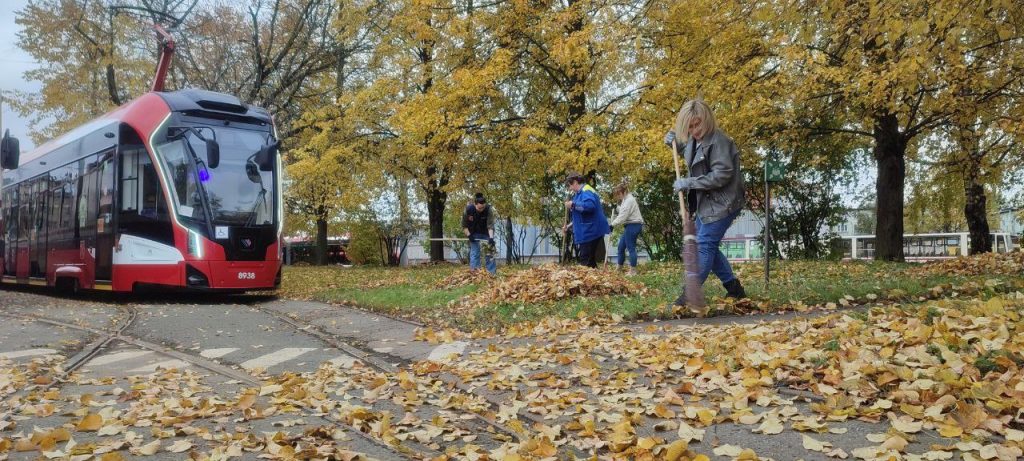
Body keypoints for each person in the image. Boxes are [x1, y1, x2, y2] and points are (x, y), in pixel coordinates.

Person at [664, 99, 747, 302]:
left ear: (707, 119)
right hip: (706, 204)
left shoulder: (720, 141)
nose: (694, 130)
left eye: (697, 124)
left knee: (704, 245)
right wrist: (674, 143)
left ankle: (687, 297)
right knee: (708, 244)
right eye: (689, 127)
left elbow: (722, 174)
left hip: (723, 203)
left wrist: (689, 183)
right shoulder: (694, 140)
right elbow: (693, 154)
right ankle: (734, 289)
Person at [562, 172, 610, 268]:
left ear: (575, 182)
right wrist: (569, 226)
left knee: (585, 261)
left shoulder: (586, 191)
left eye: (570, 185)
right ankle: (596, 281)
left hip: (591, 230)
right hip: (588, 229)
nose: (570, 188)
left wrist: (573, 205)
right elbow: (580, 215)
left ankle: (588, 282)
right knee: (590, 261)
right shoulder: (579, 194)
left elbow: (590, 207)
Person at [610, 183, 644, 276]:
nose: (618, 196)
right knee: (621, 247)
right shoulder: (626, 199)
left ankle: (633, 271)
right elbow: (623, 211)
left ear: (624, 192)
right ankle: (619, 268)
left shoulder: (629, 200)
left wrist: (612, 225)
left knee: (630, 248)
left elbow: (623, 216)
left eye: (619, 194)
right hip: (629, 225)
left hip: (634, 225)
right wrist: (616, 207)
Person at [462, 193, 497, 274]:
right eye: (479, 208)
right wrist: (469, 235)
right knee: (475, 252)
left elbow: (490, 225)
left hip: (486, 232)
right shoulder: (468, 210)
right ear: (475, 204)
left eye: (483, 207)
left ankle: (491, 273)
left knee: (490, 251)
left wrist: (491, 238)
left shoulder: (488, 209)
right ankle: (475, 272)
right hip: (473, 233)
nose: (481, 210)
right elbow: (464, 226)